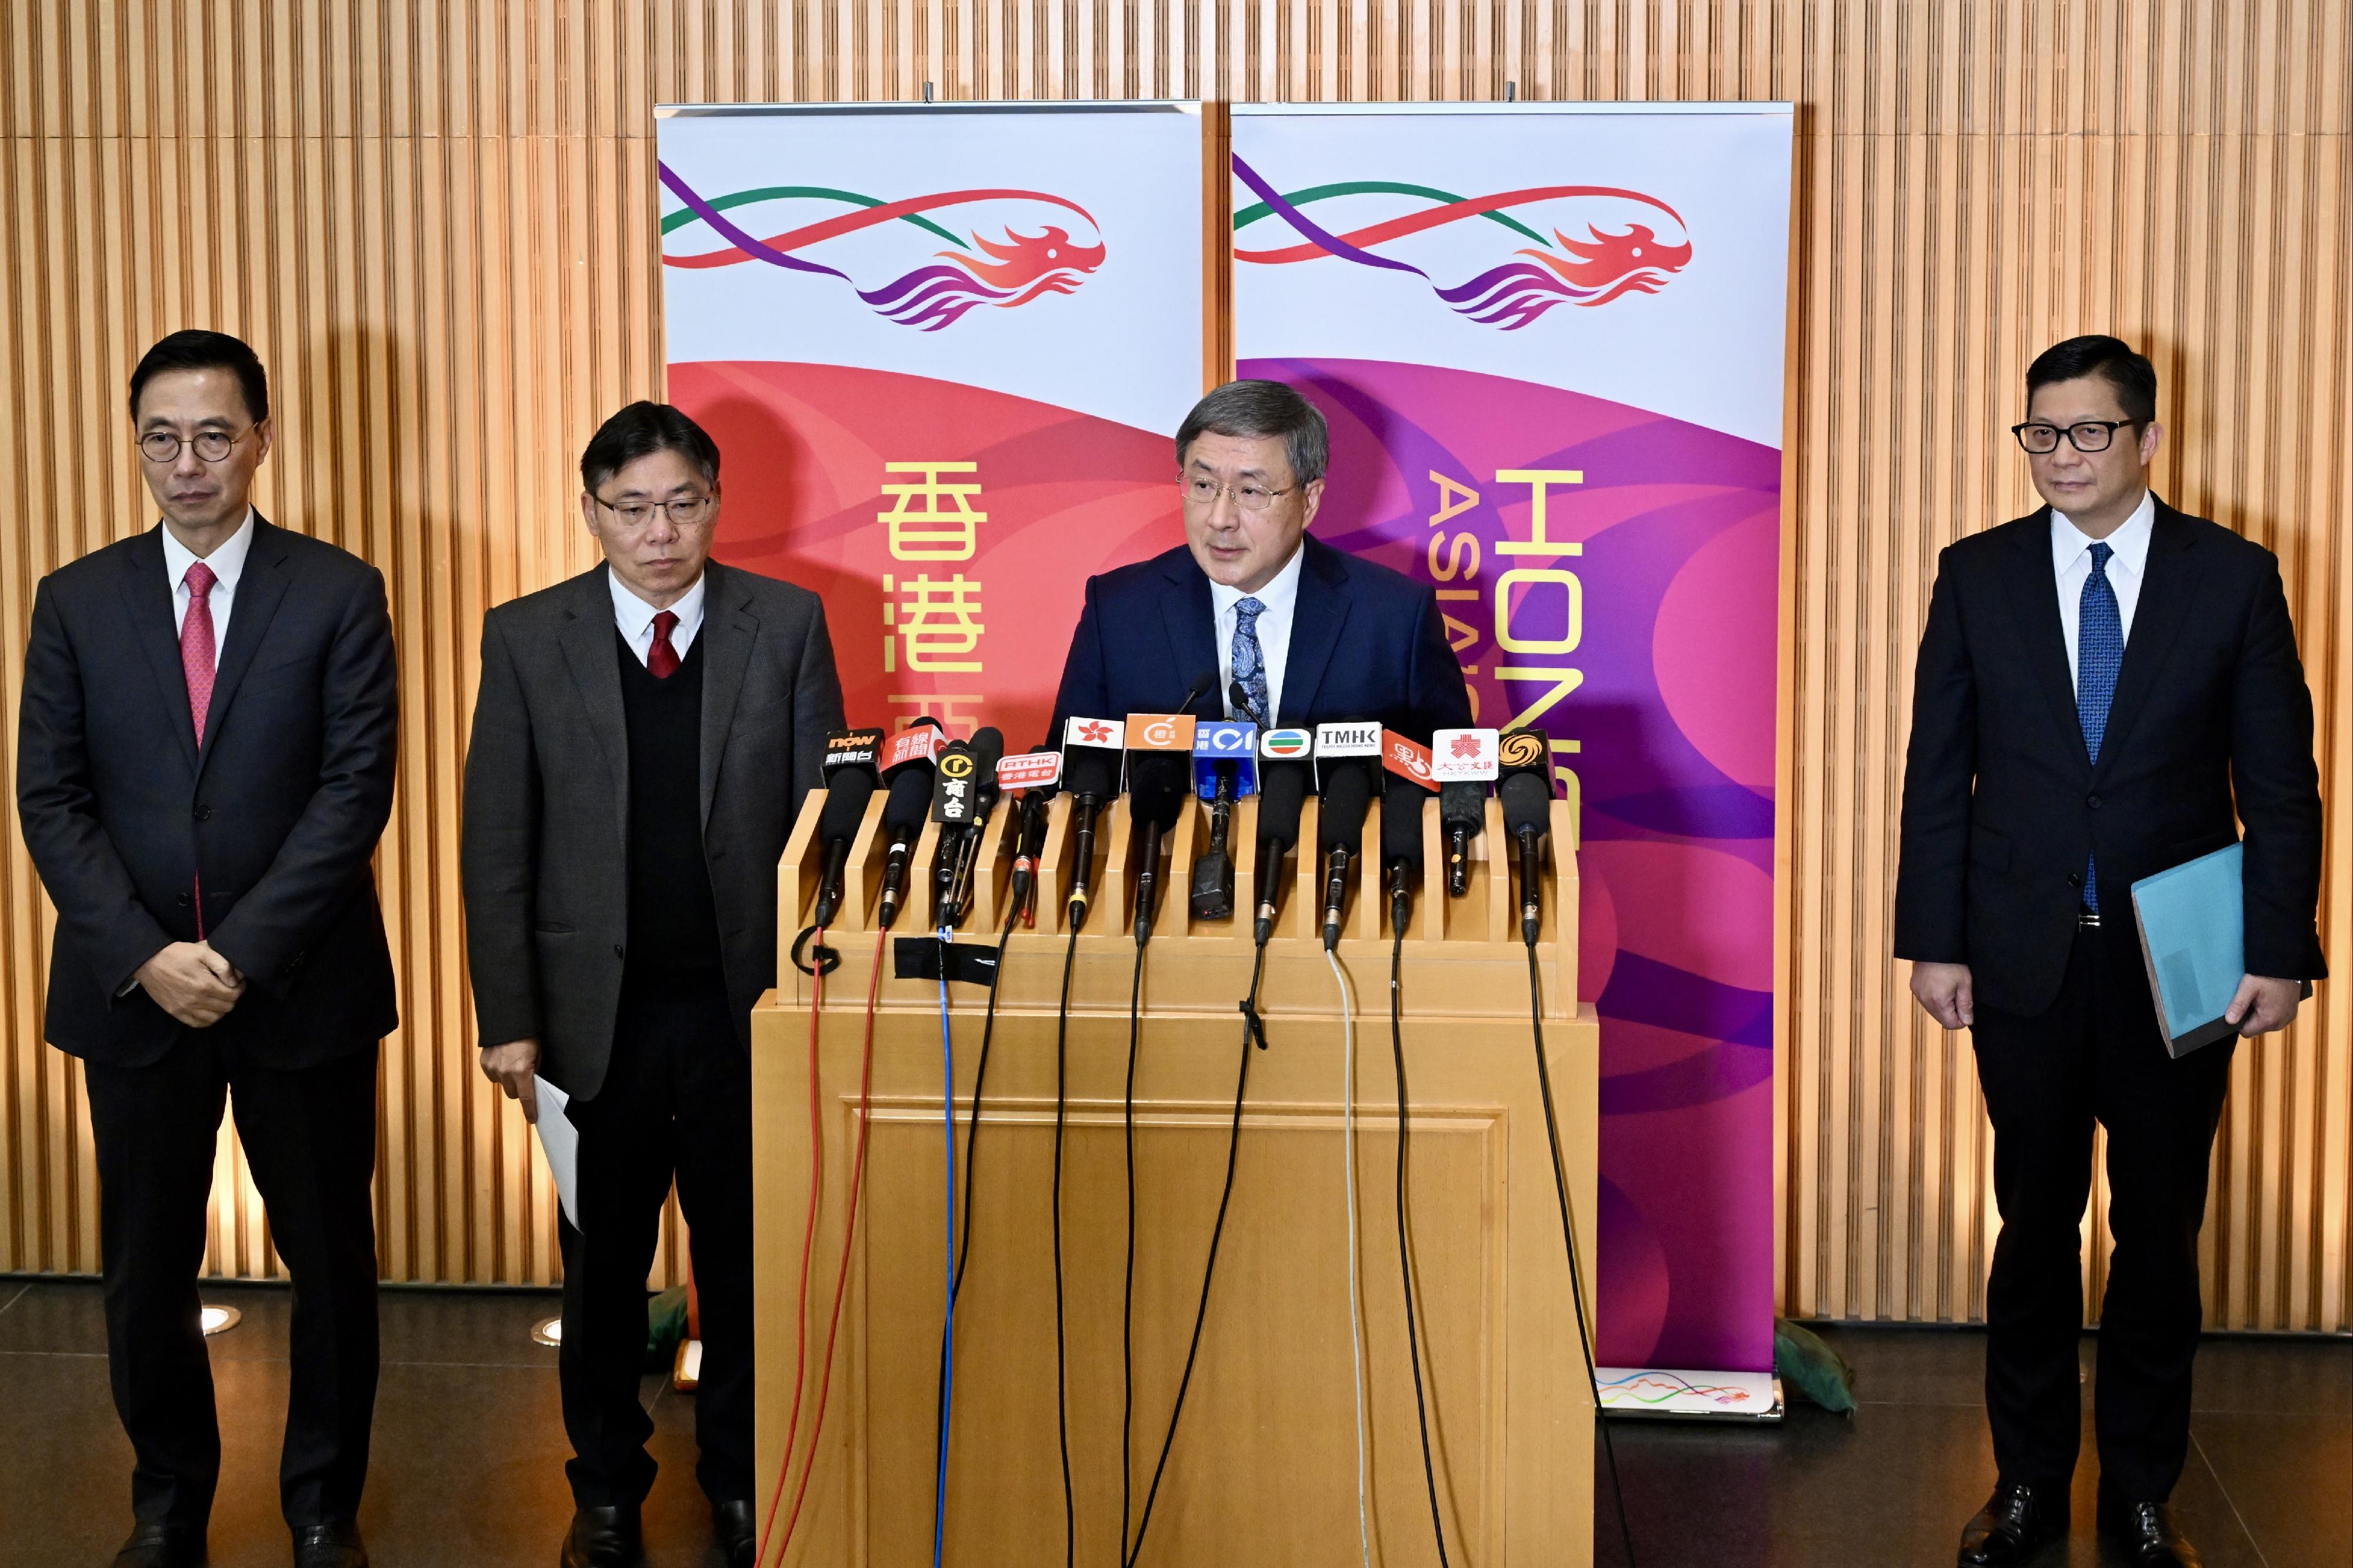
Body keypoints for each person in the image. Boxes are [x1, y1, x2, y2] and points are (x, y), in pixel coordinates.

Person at [1895, 335, 2325, 1568]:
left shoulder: (2231, 577)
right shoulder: (1972, 575)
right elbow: (1937, 773)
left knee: (2157, 1228)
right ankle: (2025, 1482)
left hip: (2176, 960)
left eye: (2085, 432)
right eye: (2038, 433)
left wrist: (2276, 948)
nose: (2060, 456)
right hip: (2018, 952)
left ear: (2144, 437)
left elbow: (2279, 786)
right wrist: (1932, 938)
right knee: (2030, 1225)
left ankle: (2142, 1490)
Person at [16, 330, 399, 1568]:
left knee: (330, 1264)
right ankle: (168, 1497)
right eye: (161, 437)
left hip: (302, 989)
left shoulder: (338, 591)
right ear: (136, 445)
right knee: (143, 1267)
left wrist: (230, 952)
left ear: (261, 439)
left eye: (214, 434)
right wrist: (147, 954)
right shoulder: (73, 599)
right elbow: (50, 798)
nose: (188, 462)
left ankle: (324, 1506)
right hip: (133, 999)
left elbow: (354, 790)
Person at [459, 401, 844, 1568]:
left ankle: (736, 1479)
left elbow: (825, 824)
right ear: (591, 513)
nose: (660, 532)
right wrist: (508, 1018)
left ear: (715, 504)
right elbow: (496, 842)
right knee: (603, 1274)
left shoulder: (784, 624)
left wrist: (810, 987)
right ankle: (605, 1489)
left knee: (739, 1263)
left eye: (682, 503)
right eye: (631, 508)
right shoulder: (528, 637)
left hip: (740, 1013)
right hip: (594, 1023)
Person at [1049, 379, 1473, 738]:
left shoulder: (1394, 618)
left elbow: (1456, 790)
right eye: (1202, 485)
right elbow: (1065, 788)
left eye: (1250, 492)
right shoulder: (1119, 610)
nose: (1220, 519)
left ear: (1309, 501)